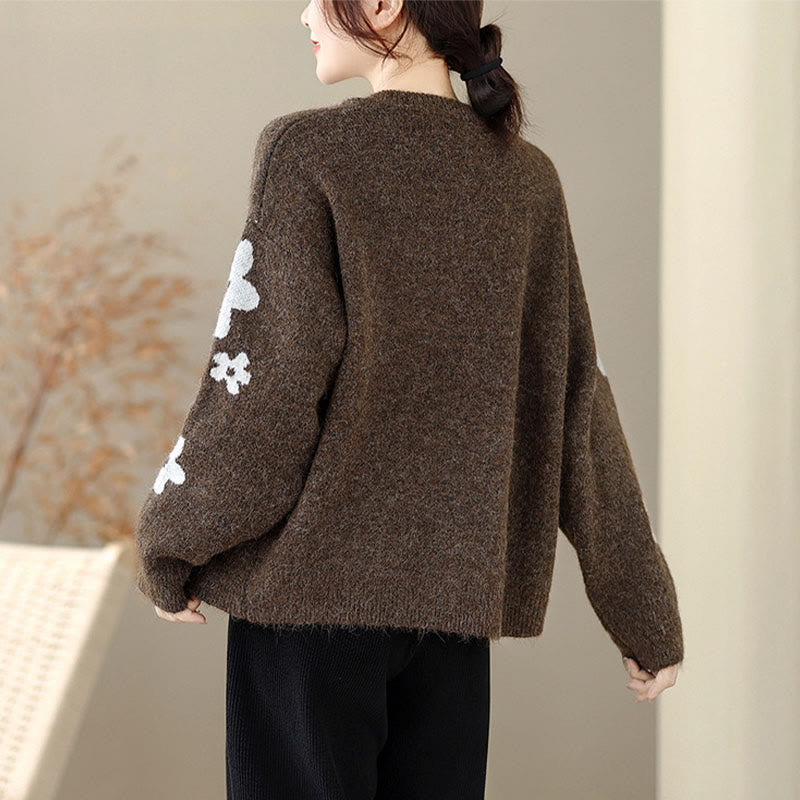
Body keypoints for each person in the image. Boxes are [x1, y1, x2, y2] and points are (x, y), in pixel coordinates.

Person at [134, 1, 684, 798]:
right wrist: (643, 608)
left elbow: (265, 387)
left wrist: (172, 542)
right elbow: (575, 404)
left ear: (385, 4)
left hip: (307, 612)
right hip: (453, 619)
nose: (303, 14)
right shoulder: (526, 179)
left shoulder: (308, 153)